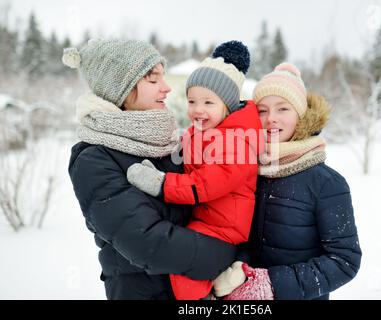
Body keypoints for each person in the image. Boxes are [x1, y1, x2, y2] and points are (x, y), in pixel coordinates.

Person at [63, 38, 237, 300]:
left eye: (163, 78)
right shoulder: (94, 160)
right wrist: (228, 252)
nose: (166, 88)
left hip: (197, 293)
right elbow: (150, 243)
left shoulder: (170, 143)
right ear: (119, 89)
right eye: (153, 80)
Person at [126, 41, 263, 300]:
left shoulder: (237, 141)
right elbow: (186, 164)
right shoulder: (200, 133)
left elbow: (206, 183)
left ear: (228, 106)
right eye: (192, 101)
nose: (198, 110)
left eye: (208, 102)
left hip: (224, 227)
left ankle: (205, 300)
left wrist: (162, 184)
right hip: (205, 219)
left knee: (182, 269)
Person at [213, 63, 362, 300]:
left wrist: (270, 285)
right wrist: (239, 267)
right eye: (262, 110)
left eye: (283, 109)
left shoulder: (327, 183)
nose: (271, 118)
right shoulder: (247, 170)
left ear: (301, 116)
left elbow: (344, 261)